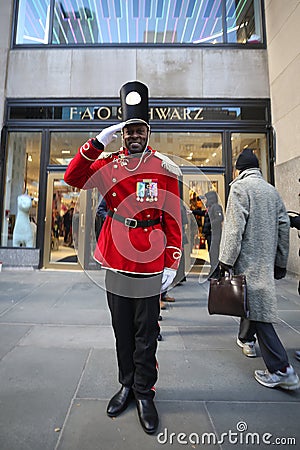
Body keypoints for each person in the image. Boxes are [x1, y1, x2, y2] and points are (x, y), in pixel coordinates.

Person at [64, 81, 182, 433]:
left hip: (149, 260)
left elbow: (173, 216)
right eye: (128, 130)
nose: (133, 136)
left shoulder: (163, 167)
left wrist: (172, 262)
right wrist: (99, 140)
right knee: (121, 329)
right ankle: (127, 384)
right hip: (116, 257)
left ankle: (145, 391)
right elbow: (73, 176)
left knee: (147, 330)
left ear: (148, 132)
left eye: (139, 130)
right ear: (122, 132)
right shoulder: (109, 164)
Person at [219, 148, 300, 390]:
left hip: (247, 261)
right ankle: (246, 339)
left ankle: (281, 369)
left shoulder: (240, 188)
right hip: (265, 260)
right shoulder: (272, 191)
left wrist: (225, 260)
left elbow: (234, 229)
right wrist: (280, 262)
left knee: (259, 312)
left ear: (239, 169)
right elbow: (284, 227)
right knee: (253, 302)